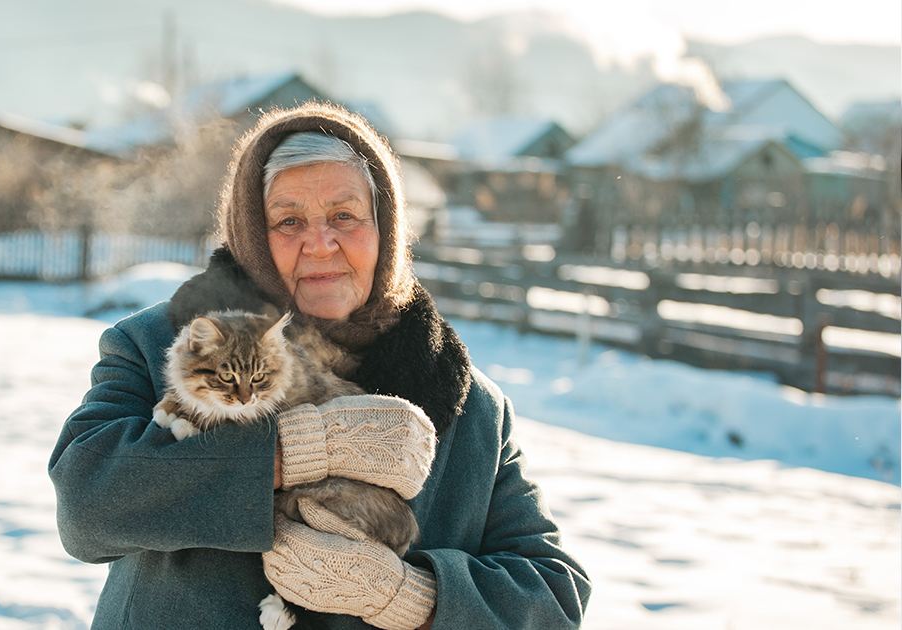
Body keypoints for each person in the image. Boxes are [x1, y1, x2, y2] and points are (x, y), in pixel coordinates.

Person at [48, 103, 590, 629]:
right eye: (288, 221)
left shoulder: (471, 405)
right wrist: (294, 453)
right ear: (253, 237)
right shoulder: (157, 344)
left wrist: (409, 599)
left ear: (387, 231)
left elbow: (553, 598)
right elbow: (85, 504)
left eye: (344, 216)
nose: (320, 243)